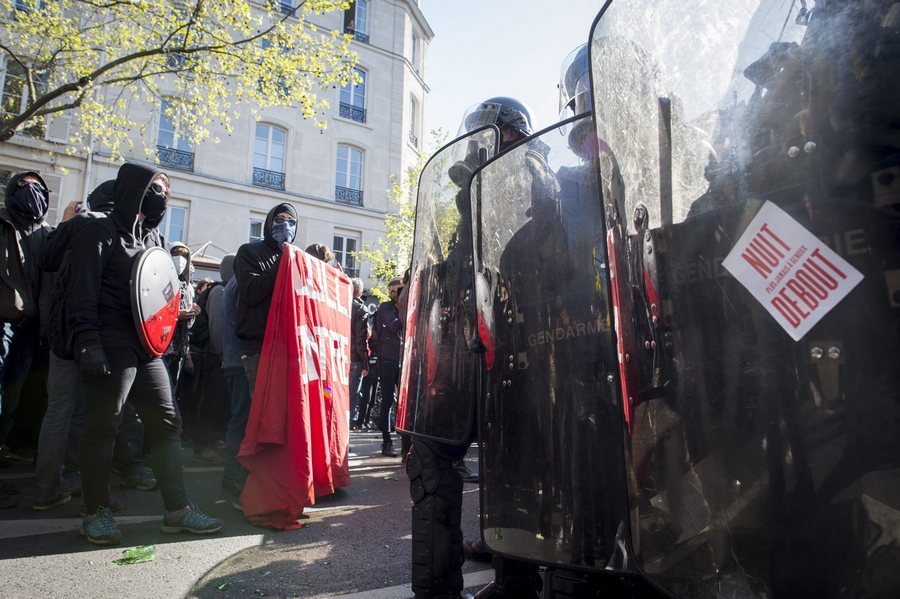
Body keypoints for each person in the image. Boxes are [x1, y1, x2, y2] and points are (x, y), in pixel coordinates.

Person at [405, 97, 539, 599]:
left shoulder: (541, 182)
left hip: (525, 357)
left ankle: (517, 585)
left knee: (517, 465)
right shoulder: (469, 198)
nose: (481, 150)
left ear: (512, 136)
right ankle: (437, 590)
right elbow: (465, 271)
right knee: (429, 457)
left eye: (491, 137)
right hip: (468, 357)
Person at [66, 162, 222, 545]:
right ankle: (95, 512)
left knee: (167, 422)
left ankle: (178, 510)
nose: (162, 198)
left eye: (165, 192)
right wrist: (88, 342)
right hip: (109, 342)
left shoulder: (154, 241)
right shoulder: (98, 232)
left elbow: (158, 294)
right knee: (104, 424)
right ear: (134, 190)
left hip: (146, 348)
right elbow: (81, 291)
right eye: (155, 189)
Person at [0, 171, 52, 507]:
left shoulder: (48, 233)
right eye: (23, 185)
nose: (30, 192)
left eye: (37, 187)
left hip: (33, 332)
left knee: (17, 401)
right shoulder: (2, 224)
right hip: (5, 325)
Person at [234, 203, 297, 395]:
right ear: (269, 223)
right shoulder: (249, 252)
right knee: (261, 405)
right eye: (280, 220)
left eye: (291, 222)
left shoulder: (296, 258)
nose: (286, 225)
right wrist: (282, 258)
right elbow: (252, 293)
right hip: (258, 347)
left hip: (287, 348)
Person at [374, 277, 403, 457]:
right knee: (387, 401)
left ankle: (406, 444)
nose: (395, 294)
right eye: (393, 291)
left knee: (406, 401)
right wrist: (406, 305)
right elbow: (394, 325)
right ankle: (387, 442)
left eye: (399, 290)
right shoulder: (385, 307)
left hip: (403, 359)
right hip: (388, 359)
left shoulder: (402, 307)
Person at [349, 278, 368, 430]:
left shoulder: (341, 303)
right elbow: (361, 339)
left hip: (340, 356)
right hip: (355, 359)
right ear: (360, 292)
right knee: (351, 397)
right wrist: (365, 363)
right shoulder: (360, 309)